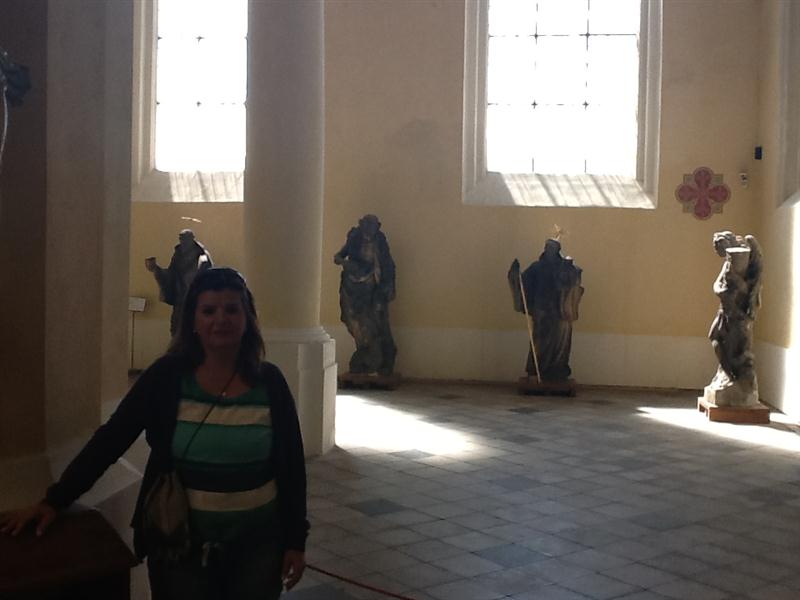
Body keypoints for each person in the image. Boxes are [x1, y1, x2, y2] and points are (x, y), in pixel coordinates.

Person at [0, 267, 308, 600]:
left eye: (232, 309)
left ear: (247, 319)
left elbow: (291, 465)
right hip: (180, 547)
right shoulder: (166, 377)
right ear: (193, 320)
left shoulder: (270, 382)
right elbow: (111, 439)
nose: (221, 319)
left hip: (258, 548)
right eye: (209, 310)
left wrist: (295, 540)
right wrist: (55, 500)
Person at [508, 238, 583, 381]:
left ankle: (557, 370)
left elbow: (573, 280)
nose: (549, 251)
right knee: (540, 342)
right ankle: (536, 370)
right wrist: (516, 276)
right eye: (547, 248)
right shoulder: (537, 267)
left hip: (559, 311)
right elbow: (523, 282)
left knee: (560, 343)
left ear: (557, 251)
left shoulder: (563, 268)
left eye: (552, 249)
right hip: (541, 310)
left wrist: (570, 271)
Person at [333, 214, 397, 375]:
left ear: (377, 227)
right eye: (366, 225)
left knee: (376, 321)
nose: (369, 229)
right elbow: (338, 256)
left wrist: (387, 286)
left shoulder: (380, 243)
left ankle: (380, 359)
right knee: (354, 320)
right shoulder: (354, 239)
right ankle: (364, 354)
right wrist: (346, 263)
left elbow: (388, 266)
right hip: (353, 288)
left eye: (372, 225)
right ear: (361, 225)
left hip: (373, 289)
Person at [146, 229, 213, 336]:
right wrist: (156, 269)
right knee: (176, 330)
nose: (182, 242)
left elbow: (208, 279)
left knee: (195, 331)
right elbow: (171, 275)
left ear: (192, 239)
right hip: (180, 300)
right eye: (181, 239)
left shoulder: (202, 257)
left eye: (185, 239)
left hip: (196, 301)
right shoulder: (178, 255)